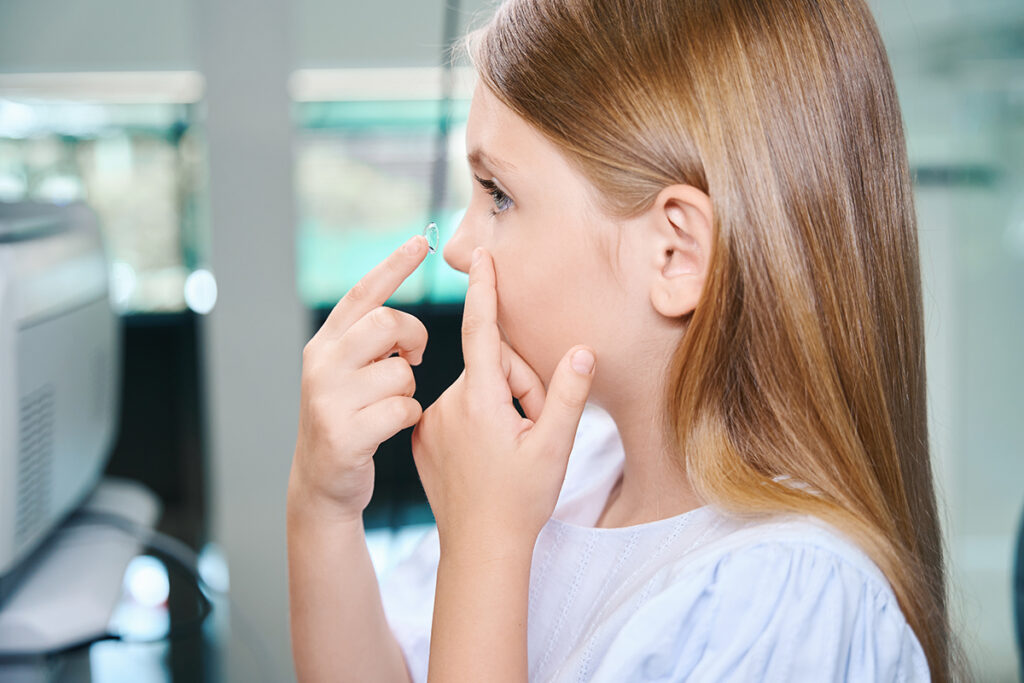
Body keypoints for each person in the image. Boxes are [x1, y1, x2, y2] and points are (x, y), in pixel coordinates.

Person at [287, 0, 963, 680]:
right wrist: (322, 508)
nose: (459, 247)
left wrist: (485, 546)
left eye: (498, 193)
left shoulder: (786, 605)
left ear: (675, 253)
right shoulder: (567, 473)